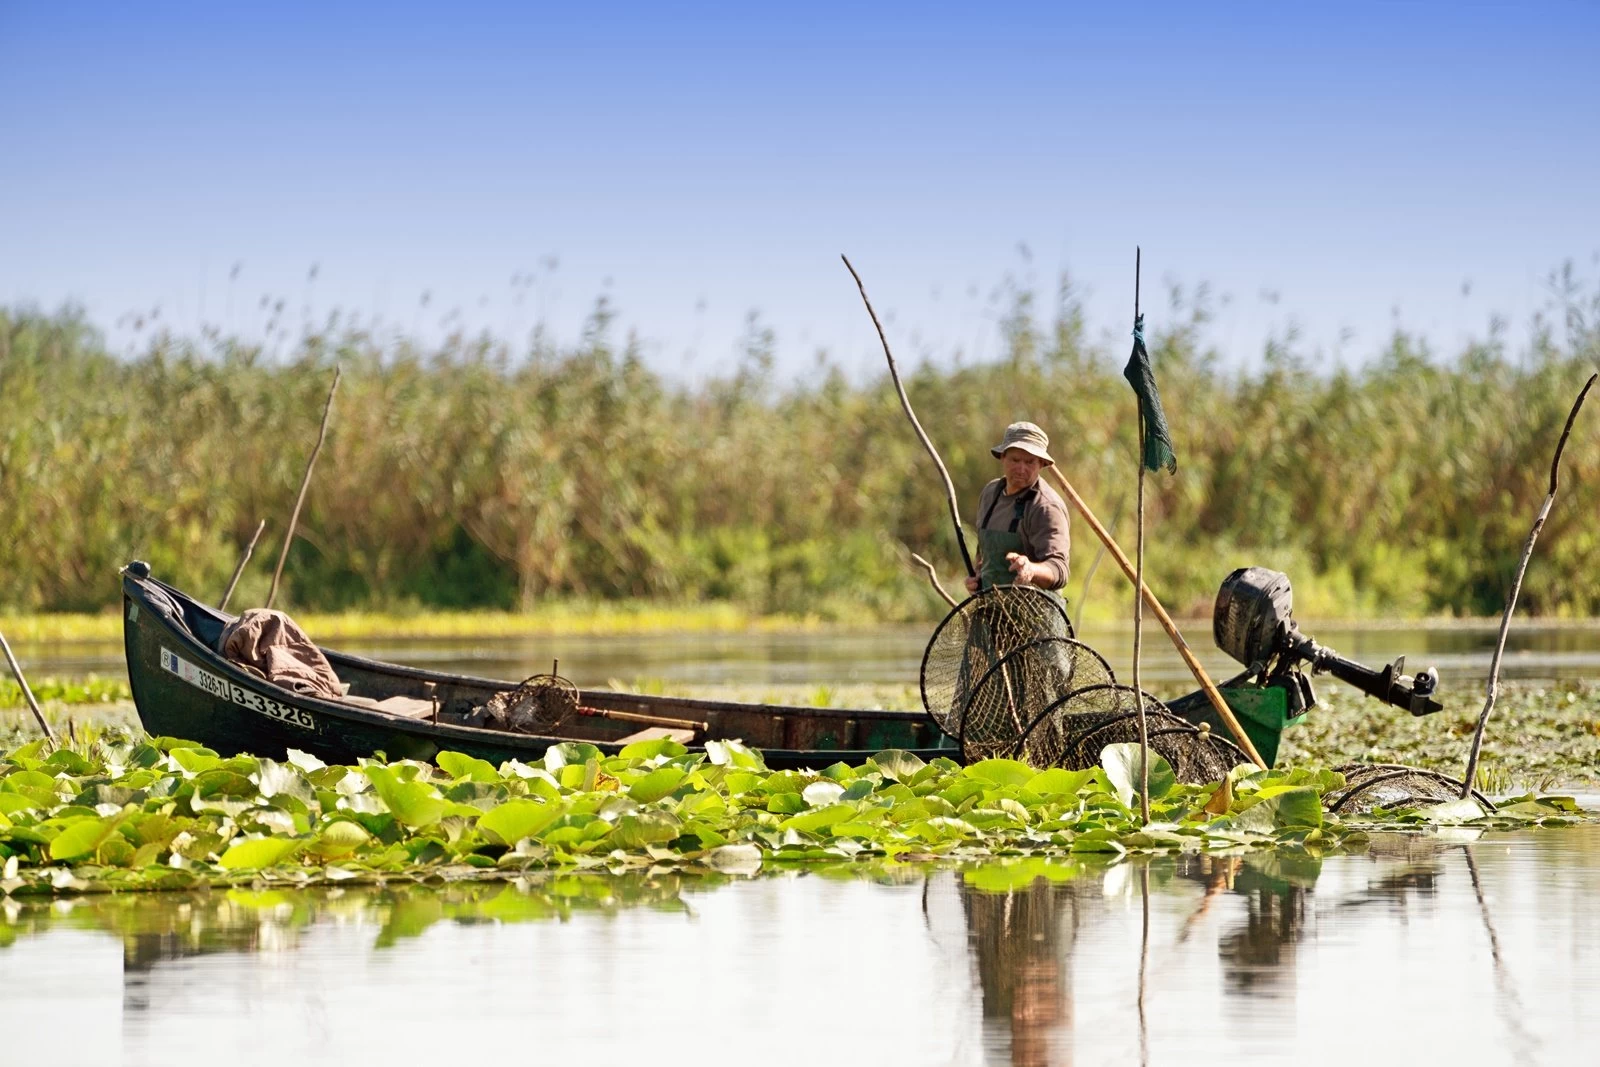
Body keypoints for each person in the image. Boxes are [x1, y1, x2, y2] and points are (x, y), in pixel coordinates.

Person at [964, 421, 1071, 595]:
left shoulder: (1046, 507)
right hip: (991, 611)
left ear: (1042, 464)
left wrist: (1031, 570)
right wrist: (977, 576)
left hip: (1035, 615)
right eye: (1015, 460)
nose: (1021, 469)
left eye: (1030, 462)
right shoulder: (990, 494)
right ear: (1002, 457)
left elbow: (1060, 570)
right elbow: (984, 554)